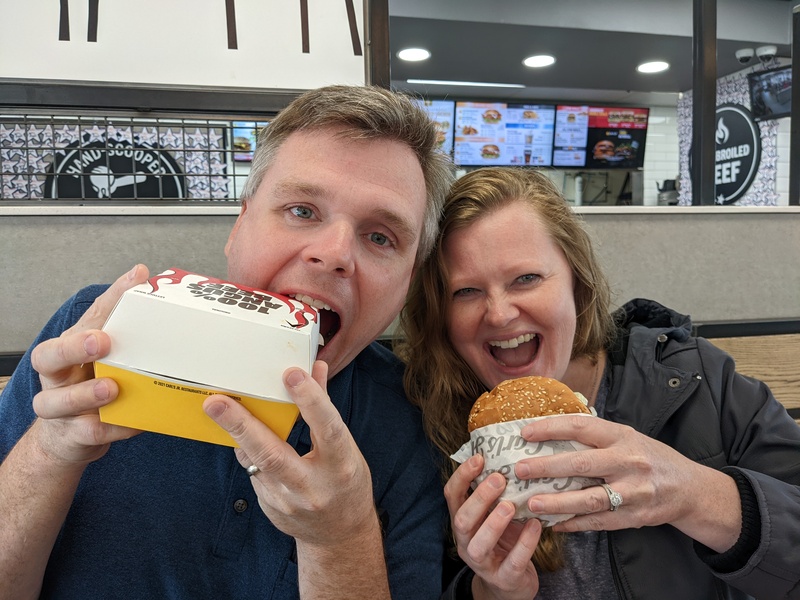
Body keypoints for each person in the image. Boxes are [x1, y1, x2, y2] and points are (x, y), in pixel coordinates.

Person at [0, 85, 455, 600]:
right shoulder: (95, 333)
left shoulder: (408, 417)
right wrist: (51, 448)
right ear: (240, 225)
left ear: (408, 283)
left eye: (380, 237)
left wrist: (340, 539)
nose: (333, 254)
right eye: (302, 210)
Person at [397, 167, 800, 600]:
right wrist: (492, 591)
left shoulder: (696, 382)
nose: (498, 314)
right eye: (466, 291)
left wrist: (694, 494)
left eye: (526, 279)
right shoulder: (426, 425)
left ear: (577, 280)